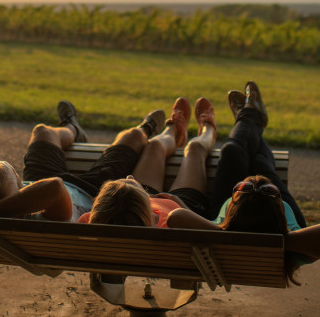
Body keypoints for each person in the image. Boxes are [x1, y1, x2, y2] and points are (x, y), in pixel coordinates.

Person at [167, 81, 320, 285]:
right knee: (257, 161)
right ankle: (250, 116)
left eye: (244, 188)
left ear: (233, 202)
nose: (254, 182)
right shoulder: (299, 248)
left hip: (227, 221)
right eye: (269, 190)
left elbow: (176, 218)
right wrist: (279, 240)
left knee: (233, 152)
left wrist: (226, 233)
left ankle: (249, 117)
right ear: (279, 205)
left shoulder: (224, 230)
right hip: (280, 232)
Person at [0, 101, 166, 222]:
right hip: (93, 190)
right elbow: (54, 189)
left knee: (42, 132)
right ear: (15, 194)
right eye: (18, 178)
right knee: (132, 138)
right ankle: (145, 128)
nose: (21, 178)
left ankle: (73, 129)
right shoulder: (41, 218)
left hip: (43, 179)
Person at [78, 95, 217, 227]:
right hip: (185, 206)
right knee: (195, 148)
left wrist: (132, 194)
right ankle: (209, 129)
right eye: (130, 180)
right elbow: (214, 231)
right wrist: (182, 206)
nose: (129, 176)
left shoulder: (87, 221)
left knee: (154, 145)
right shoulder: (176, 221)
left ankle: (173, 130)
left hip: (127, 205)